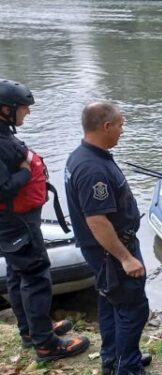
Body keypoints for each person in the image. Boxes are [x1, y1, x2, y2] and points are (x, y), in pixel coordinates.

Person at [0, 79, 89, 361]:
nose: (27, 113)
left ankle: (31, 331)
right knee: (36, 276)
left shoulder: (3, 133)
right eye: (23, 108)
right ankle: (47, 345)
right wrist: (26, 172)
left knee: (17, 275)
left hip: (16, 220)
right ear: (5, 109)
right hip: (16, 223)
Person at [65, 101, 152, 375]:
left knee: (109, 302)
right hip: (112, 253)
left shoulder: (83, 156)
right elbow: (97, 220)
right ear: (106, 126)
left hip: (103, 253)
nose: (122, 131)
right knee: (133, 309)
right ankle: (128, 368)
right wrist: (125, 258)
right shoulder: (93, 169)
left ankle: (113, 359)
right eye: (120, 125)